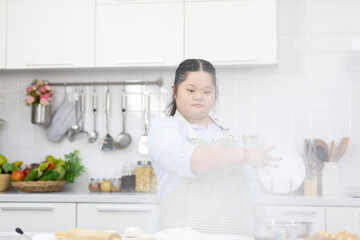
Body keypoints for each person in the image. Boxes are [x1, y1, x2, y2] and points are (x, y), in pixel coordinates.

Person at [148, 59, 280, 236]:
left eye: (206, 91)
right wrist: (244, 155)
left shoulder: (230, 134)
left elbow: (251, 192)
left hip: (236, 235)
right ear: (175, 91)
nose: (198, 97)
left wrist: (272, 230)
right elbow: (192, 160)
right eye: (191, 90)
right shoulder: (164, 129)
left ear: (214, 93)